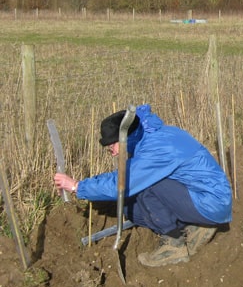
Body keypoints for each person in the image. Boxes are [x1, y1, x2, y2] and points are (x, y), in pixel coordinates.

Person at [54, 104, 232, 267]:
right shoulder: (153, 136)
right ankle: (198, 226)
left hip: (211, 201)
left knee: (145, 186)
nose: (112, 153)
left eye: (112, 146)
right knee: (131, 209)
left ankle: (173, 245)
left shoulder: (156, 149)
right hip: (205, 197)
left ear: (125, 138)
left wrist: (78, 186)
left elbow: (122, 182)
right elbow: (125, 176)